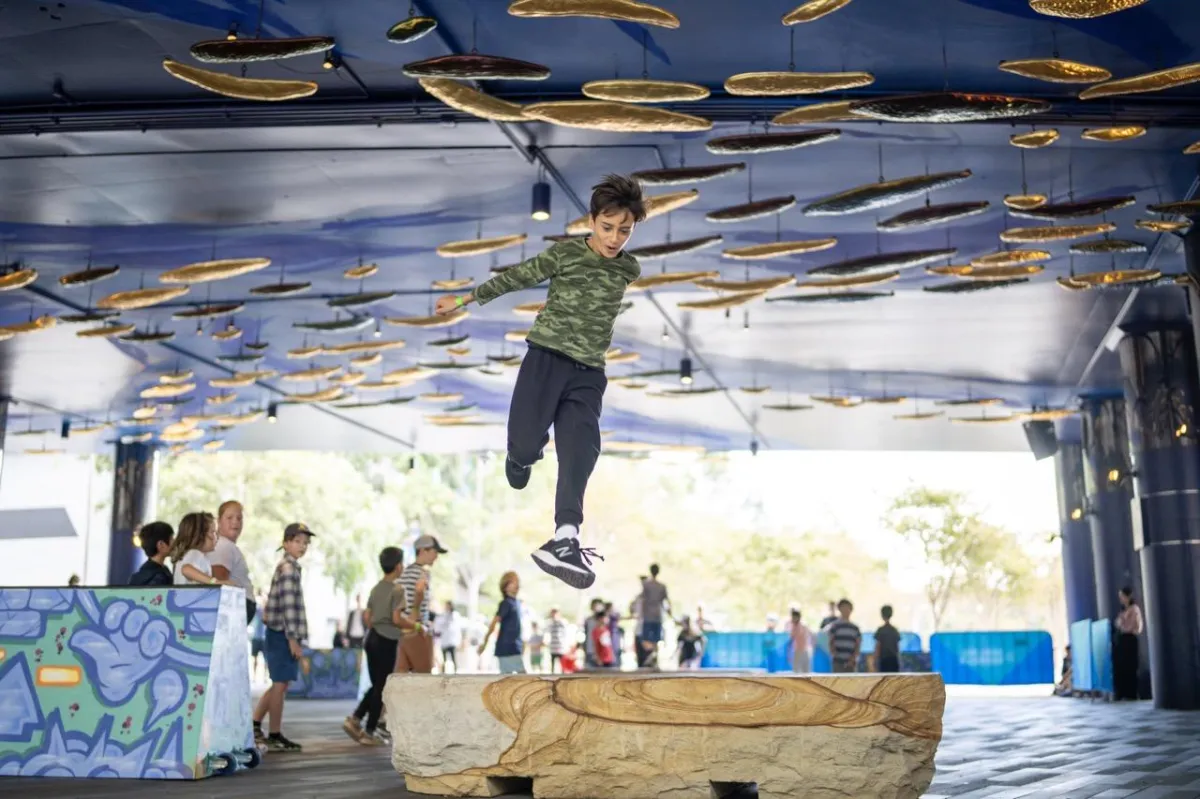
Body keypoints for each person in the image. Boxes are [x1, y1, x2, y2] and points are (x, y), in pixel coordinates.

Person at [433, 175, 647, 590]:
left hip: (588, 372)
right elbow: (515, 278)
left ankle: (565, 538)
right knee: (527, 442)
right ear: (591, 221)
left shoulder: (628, 267)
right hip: (546, 360)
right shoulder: (565, 254)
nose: (615, 238)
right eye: (607, 228)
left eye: (625, 230)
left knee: (581, 448)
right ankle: (520, 457)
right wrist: (463, 299)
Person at [344, 546, 420, 746]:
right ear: (398, 566)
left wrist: (377, 625)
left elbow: (367, 616)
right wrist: (416, 625)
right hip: (386, 640)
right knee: (382, 686)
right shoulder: (398, 589)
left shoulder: (376, 588)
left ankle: (355, 719)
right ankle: (369, 732)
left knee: (377, 684)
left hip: (371, 638)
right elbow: (397, 618)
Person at [253, 522, 315, 753]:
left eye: (305, 543)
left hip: (279, 632)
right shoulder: (289, 569)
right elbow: (289, 607)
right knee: (280, 685)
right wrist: (293, 639)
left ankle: (255, 724)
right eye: (297, 541)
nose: (302, 546)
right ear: (286, 543)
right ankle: (275, 734)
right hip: (282, 634)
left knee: (280, 683)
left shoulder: (289, 567)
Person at [395, 535, 443, 673]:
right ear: (423, 551)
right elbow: (418, 599)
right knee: (423, 679)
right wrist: (420, 626)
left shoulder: (405, 573)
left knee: (401, 679)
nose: (436, 556)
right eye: (434, 552)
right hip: (417, 630)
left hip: (404, 632)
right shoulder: (422, 574)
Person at [209, 500, 256, 622]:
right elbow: (219, 582)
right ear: (219, 521)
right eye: (229, 518)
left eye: (239, 518)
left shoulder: (226, 545)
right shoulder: (223, 546)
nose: (235, 522)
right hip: (235, 606)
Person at [170, 512, 235, 587]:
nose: (216, 536)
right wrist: (215, 582)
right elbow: (186, 569)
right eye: (213, 532)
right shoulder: (195, 553)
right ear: (200, 536)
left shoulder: (186, 556)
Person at [479, 571, 525, 674]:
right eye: (513, 581)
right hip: (507, 648)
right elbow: (494, 623)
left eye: (518, 581)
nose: (517, 584)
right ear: (505, 586)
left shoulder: (516, 602)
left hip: (514, 647)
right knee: (521, 678)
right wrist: (485, 642)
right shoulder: (506, 603)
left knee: (510, 679)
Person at [1113, 586, 1143, 701]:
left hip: (1130, 638)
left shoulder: (1134, 609)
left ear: (1128, 596)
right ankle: (1123, 692)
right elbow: (1118, 624)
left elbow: (1136, 626)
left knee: (1131, 666)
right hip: (1122, 639)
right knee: (1122, 666)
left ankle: (1132, 693)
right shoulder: (1122, 611)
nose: (1121, 599)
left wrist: (1124, 624)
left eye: (1122, 596)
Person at [637, 564, 671, 666]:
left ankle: (652, 656)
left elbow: (643, 600)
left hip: (648, 615)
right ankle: (654, 655)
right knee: (656, 639)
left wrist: (641, 614)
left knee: (646, 638)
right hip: (657, 615)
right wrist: (669, 612)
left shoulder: (646, 585)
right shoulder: (662, 586)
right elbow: (666, 601)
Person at [129, 521, 174, 586]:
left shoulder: (139, 575)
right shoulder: (160, 577)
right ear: (161, 545)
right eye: (171, 538)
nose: (175, 542)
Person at [826, 598, 862, 674]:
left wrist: (852, 659)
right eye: (843, 607)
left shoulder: (855, 628)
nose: (845, 610)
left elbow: (858, 645)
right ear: (839, 609)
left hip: (851, 663)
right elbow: (830, 642)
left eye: (847, 608)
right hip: (838, 662)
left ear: (851, 610)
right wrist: (834, 654)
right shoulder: (834, 626)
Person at [434, 600, 463, 674]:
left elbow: (457, 628)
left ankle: (455, 673)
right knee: (444, 659)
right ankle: (443, 673)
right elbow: (439, 626)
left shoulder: (455, 615)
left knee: (453, 658)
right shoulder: (442, 615)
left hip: (452, 641)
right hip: (444, 641)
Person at [875, 604, 901, 673]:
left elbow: (878, 645)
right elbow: (897, 647)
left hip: (883, 659)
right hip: (893, 658)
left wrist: (876, 658)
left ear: (882, 615)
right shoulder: (894, 630)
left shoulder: (880, 630)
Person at [589, 604, 615, 669]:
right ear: (600, 619)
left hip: (609, 658)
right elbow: (595, 645)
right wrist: (598, 658)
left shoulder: (606, 629)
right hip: (601, 659)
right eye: (605, 617)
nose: (607, 619)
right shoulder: (596, 631)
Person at [789, 609, 812, 673]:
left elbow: (792, 637)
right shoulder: (796, 626)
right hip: (800, 651)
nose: (793, 619)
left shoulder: (800, 626)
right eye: (792, 617)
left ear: (798, 617)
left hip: (803, 651)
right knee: (800, 670)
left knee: (803, 670)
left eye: (794, 617)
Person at [547, 608, 567, 673]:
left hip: (560, 646)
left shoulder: (562, 622)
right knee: (552, 664)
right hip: (553, 646)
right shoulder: (550, 623)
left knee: (562, 664)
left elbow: (566, 633)